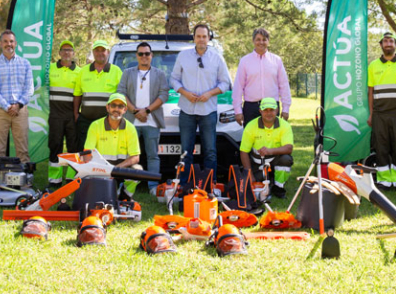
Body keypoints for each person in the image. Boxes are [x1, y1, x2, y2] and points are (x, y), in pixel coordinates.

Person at [171, 24, 231, 182]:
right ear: (194, 37)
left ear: (209, 38)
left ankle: (210, 184)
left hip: (208, 111)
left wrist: (210, 94)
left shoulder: (217, 58)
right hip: (186, 110)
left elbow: (225, 83)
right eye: (198, 36)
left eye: (204, 36)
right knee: (185, 151)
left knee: (210, 150)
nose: (201, 39)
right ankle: (184, 184)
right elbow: (174, 79)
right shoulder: (183, 56)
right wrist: (185, 93)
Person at [117, 42, 169, 196]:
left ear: (151, 56)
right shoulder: (127, 73)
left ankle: (153, 186)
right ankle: (125, 185)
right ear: (137, 56)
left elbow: (163, 94)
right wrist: (134, 111)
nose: (144, 56)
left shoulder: (160, 74)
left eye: (147, 53)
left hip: (152, 121)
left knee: (152, 155)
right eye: (141, 54)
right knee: (127, 155)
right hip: (131, 121)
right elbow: (121, 92)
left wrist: (146, 111)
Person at [367, 32, 396, 191]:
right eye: (385, 41)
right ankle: (384, 181)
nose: (388, 44)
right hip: (380, 114)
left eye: (391, 41)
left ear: (395, 45)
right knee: (381, 147)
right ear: (381, 45)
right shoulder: (373, 65)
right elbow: (370, 91)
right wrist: (372, 114)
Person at [0, 30, 34, 162]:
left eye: (11, 41)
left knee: (22, 149)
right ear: (1, 44)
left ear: (16, 43)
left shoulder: (25, 64)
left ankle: (24, 181)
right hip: (0, 111)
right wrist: (7, 107)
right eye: (6, 41)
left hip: (20, 111)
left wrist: (17, 106)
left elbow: (29, 88)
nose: (9, 44)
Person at [84, 93, 141, 198]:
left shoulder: (130, 128)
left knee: (137, 170)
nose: (116, 109)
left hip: (121, 168)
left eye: (120, 106)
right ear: (107, 107)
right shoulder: (95, 125)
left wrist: (115, 169)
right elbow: (87, 154)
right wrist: (98, 170)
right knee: (99, 197)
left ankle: (125, 196)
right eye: (113, 105)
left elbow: (135, 157)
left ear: (125, 110)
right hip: (100, 168)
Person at [232, 28, 291, 127]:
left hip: (272, 107)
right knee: (252, 140)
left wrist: (286, 108)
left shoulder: (277, 60)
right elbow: (238, 87)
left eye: (264, 39)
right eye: (258, 39)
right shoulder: (245, 61)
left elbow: (284, 85)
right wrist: (237, 110)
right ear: (253, 41)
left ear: (268, 41)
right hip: (251, 108)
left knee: (272, 140)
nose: (261, 42)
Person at [73, 39, 122, 151]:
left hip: (108, 119)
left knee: (106, 150)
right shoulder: (83, 71)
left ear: (108, 52)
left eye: (103, 50)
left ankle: (104, 169)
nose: (100, 53)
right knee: (85, 150)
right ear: (93, 52)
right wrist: (76, 114)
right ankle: (85, 169)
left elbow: (121, 96)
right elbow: (77, 95)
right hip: (86, 120)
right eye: (97, 50)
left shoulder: (116, 71)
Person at [239, 97, 294, 199]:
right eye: (265, 110)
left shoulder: (285, 126)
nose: (269, 113)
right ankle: (269, 180)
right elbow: (243, 151)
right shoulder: (251, 126)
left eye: (272, 110)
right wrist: (249, 174)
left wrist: (270, 151)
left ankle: (279, 188)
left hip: (275, 159)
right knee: (255, 182)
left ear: (277, 110)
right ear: (260, 111)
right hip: (257, 162)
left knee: (286, 159)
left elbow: (289, 148)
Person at [47, 40, 81, 189]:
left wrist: (77, 113)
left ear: (73, 54)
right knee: (55, 146)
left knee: (73, 147)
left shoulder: (79, 72)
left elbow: (80, 95)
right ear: (59, 53)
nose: (67, 52)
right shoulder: (50, 68)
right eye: (64, 50)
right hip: (55, 115)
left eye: (70, 50)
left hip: (71, 115)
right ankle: (55, 180)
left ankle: (71, 178)